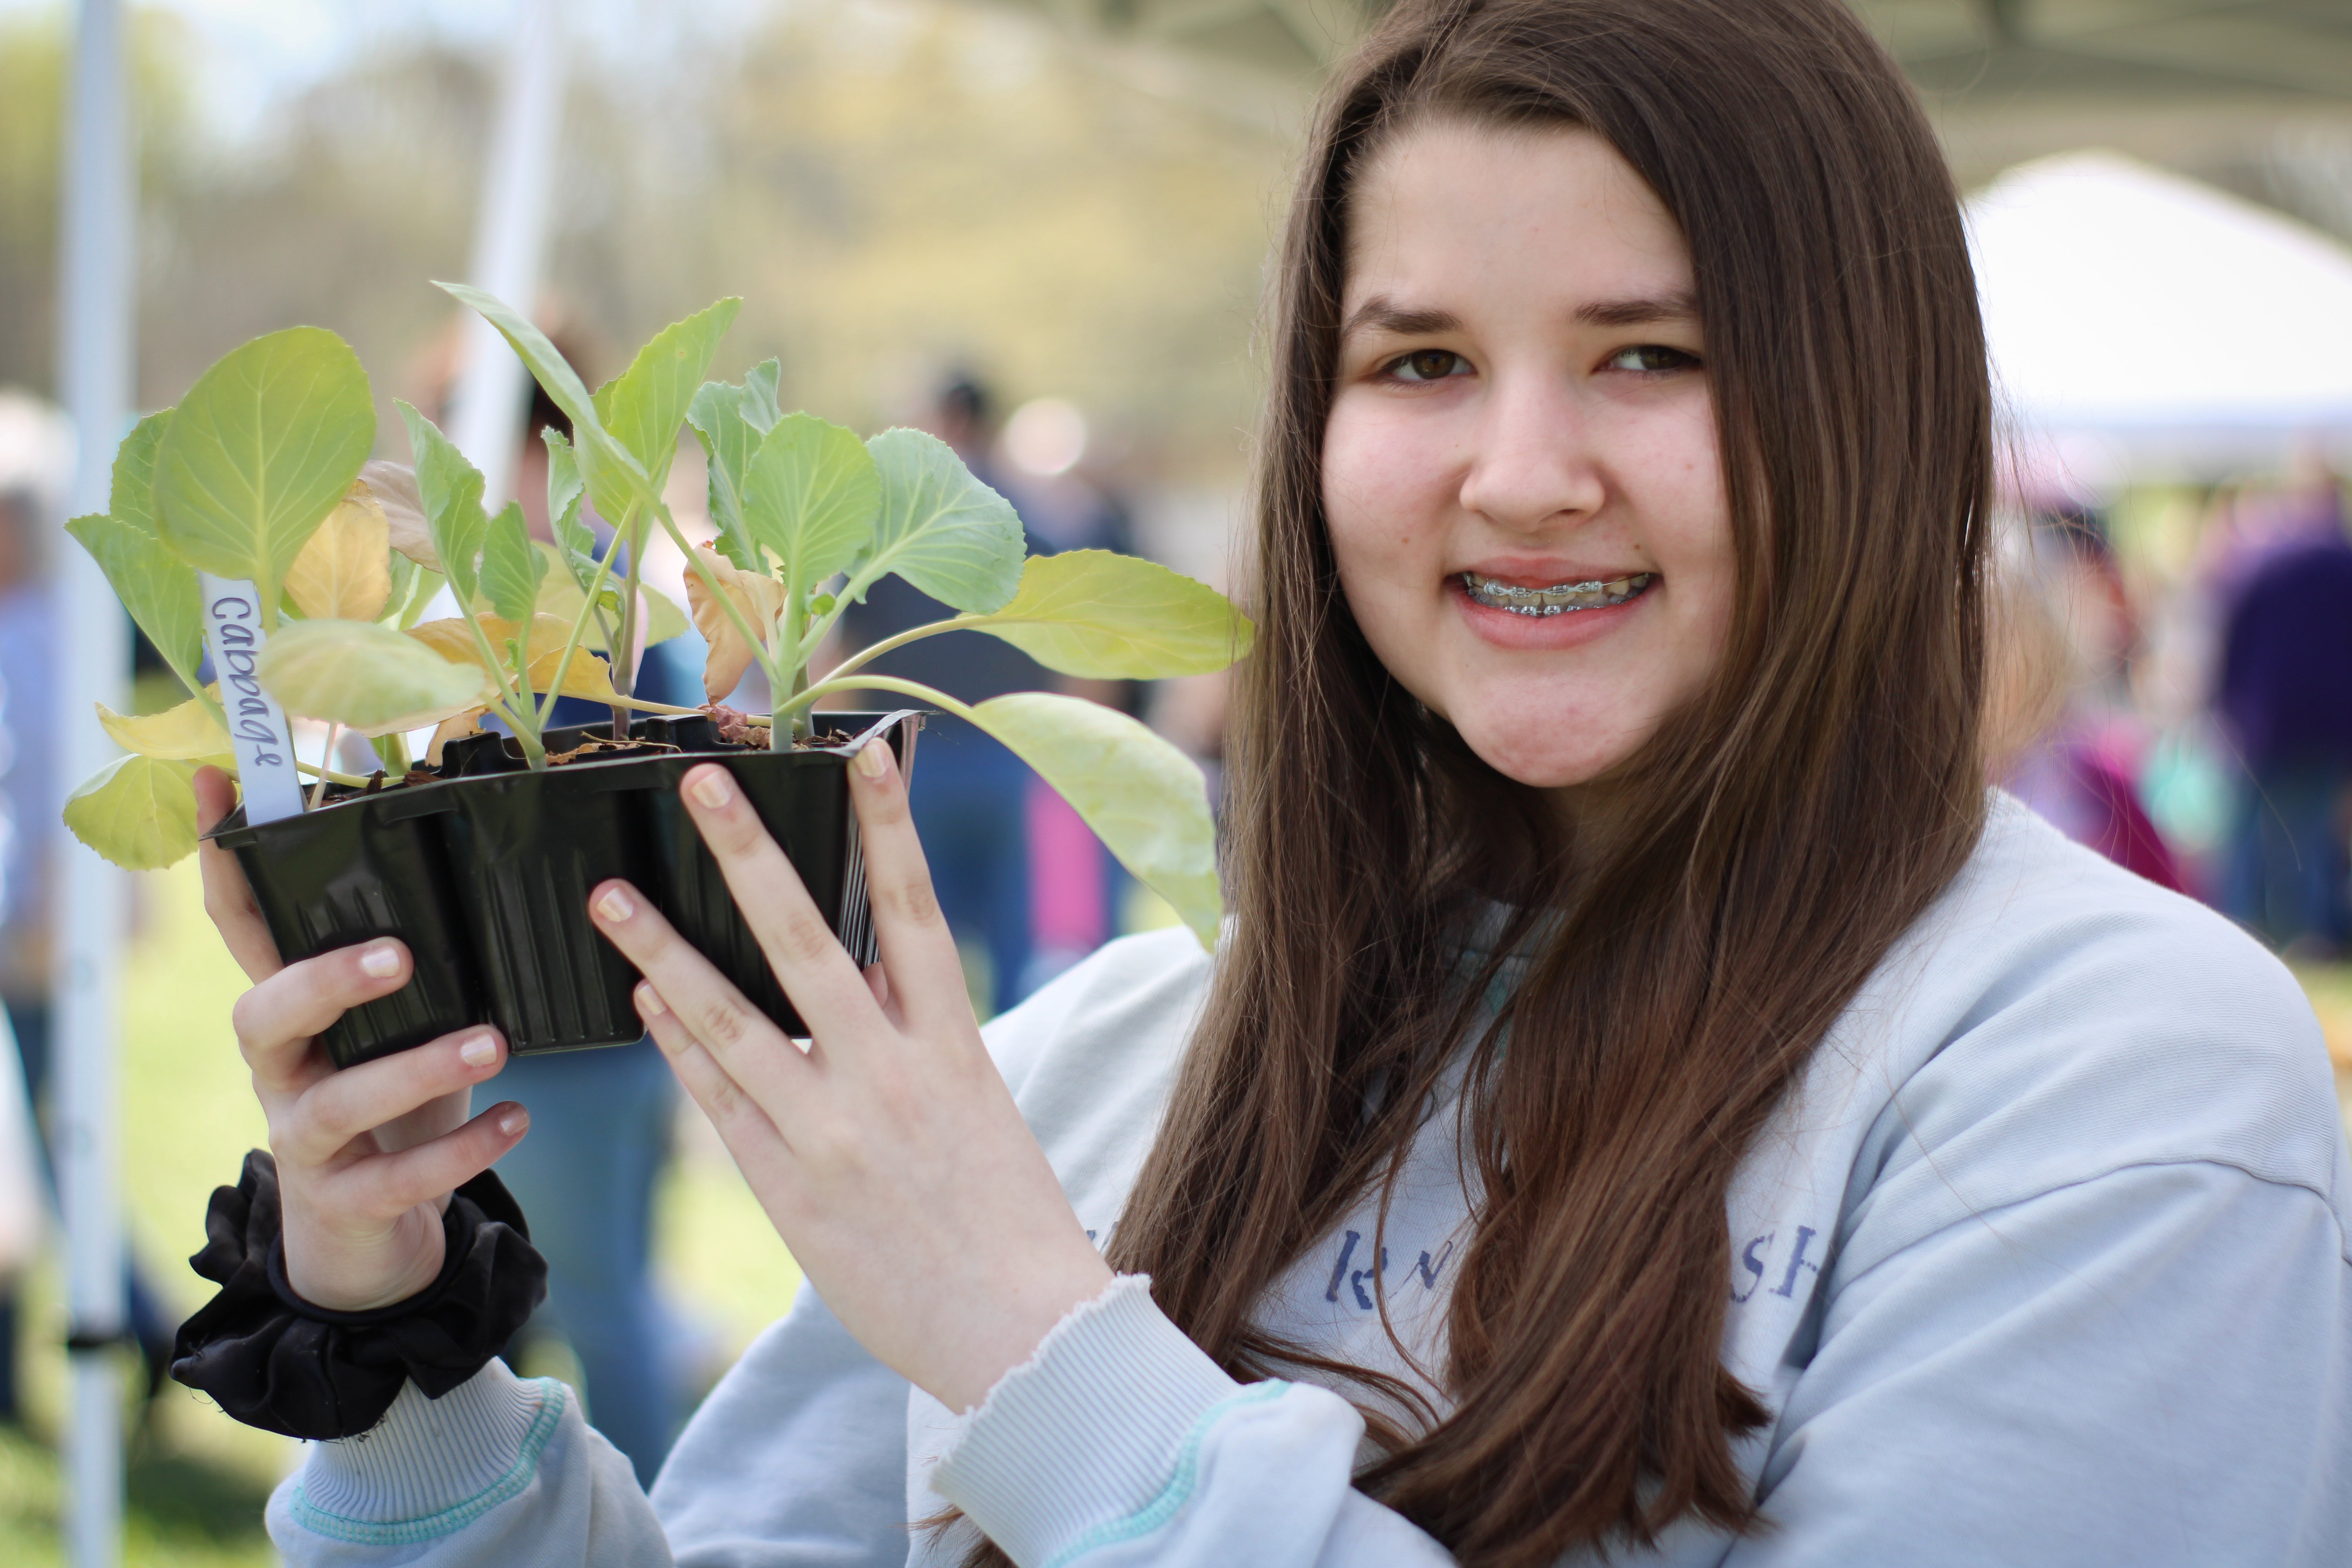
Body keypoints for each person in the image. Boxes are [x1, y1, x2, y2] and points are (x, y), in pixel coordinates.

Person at [171, 2, 2352, 1564]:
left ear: (1869, 409)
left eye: (1651, 354)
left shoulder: (2123, 1081)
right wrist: (404, 1374)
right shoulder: (1128, 1050)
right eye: (1418, 361)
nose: (1520, 472)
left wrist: (1046, 1354)